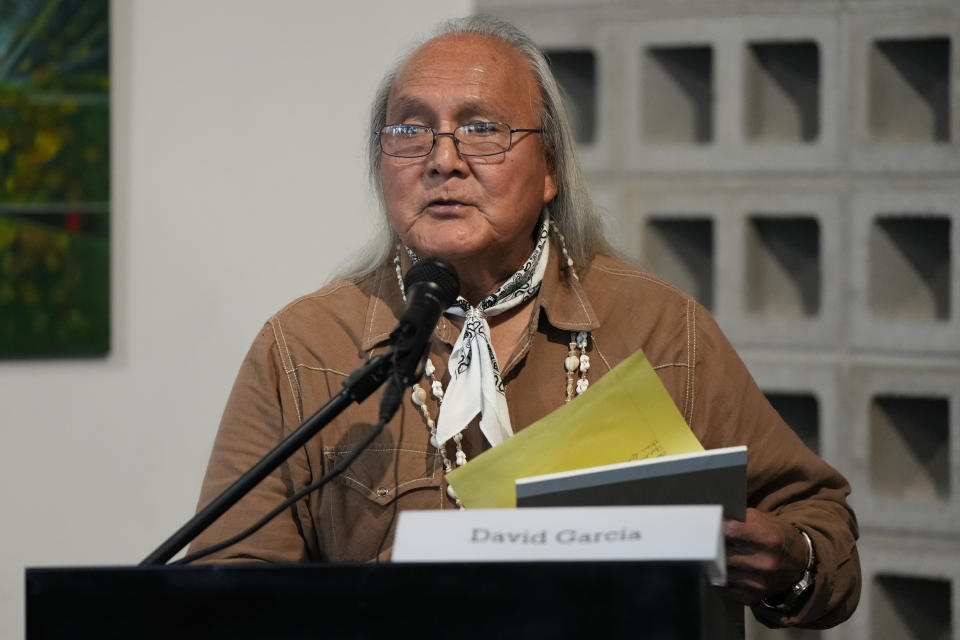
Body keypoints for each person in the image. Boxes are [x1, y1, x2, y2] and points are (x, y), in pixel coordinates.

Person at [190, 15, 860, 629]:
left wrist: (791, 563)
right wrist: (373, 602)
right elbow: (221, 597)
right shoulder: (305, 348)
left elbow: (824, 532)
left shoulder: (661, 331)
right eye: (409, 129)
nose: (442, 159)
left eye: (481, 128)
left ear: (550, 170)